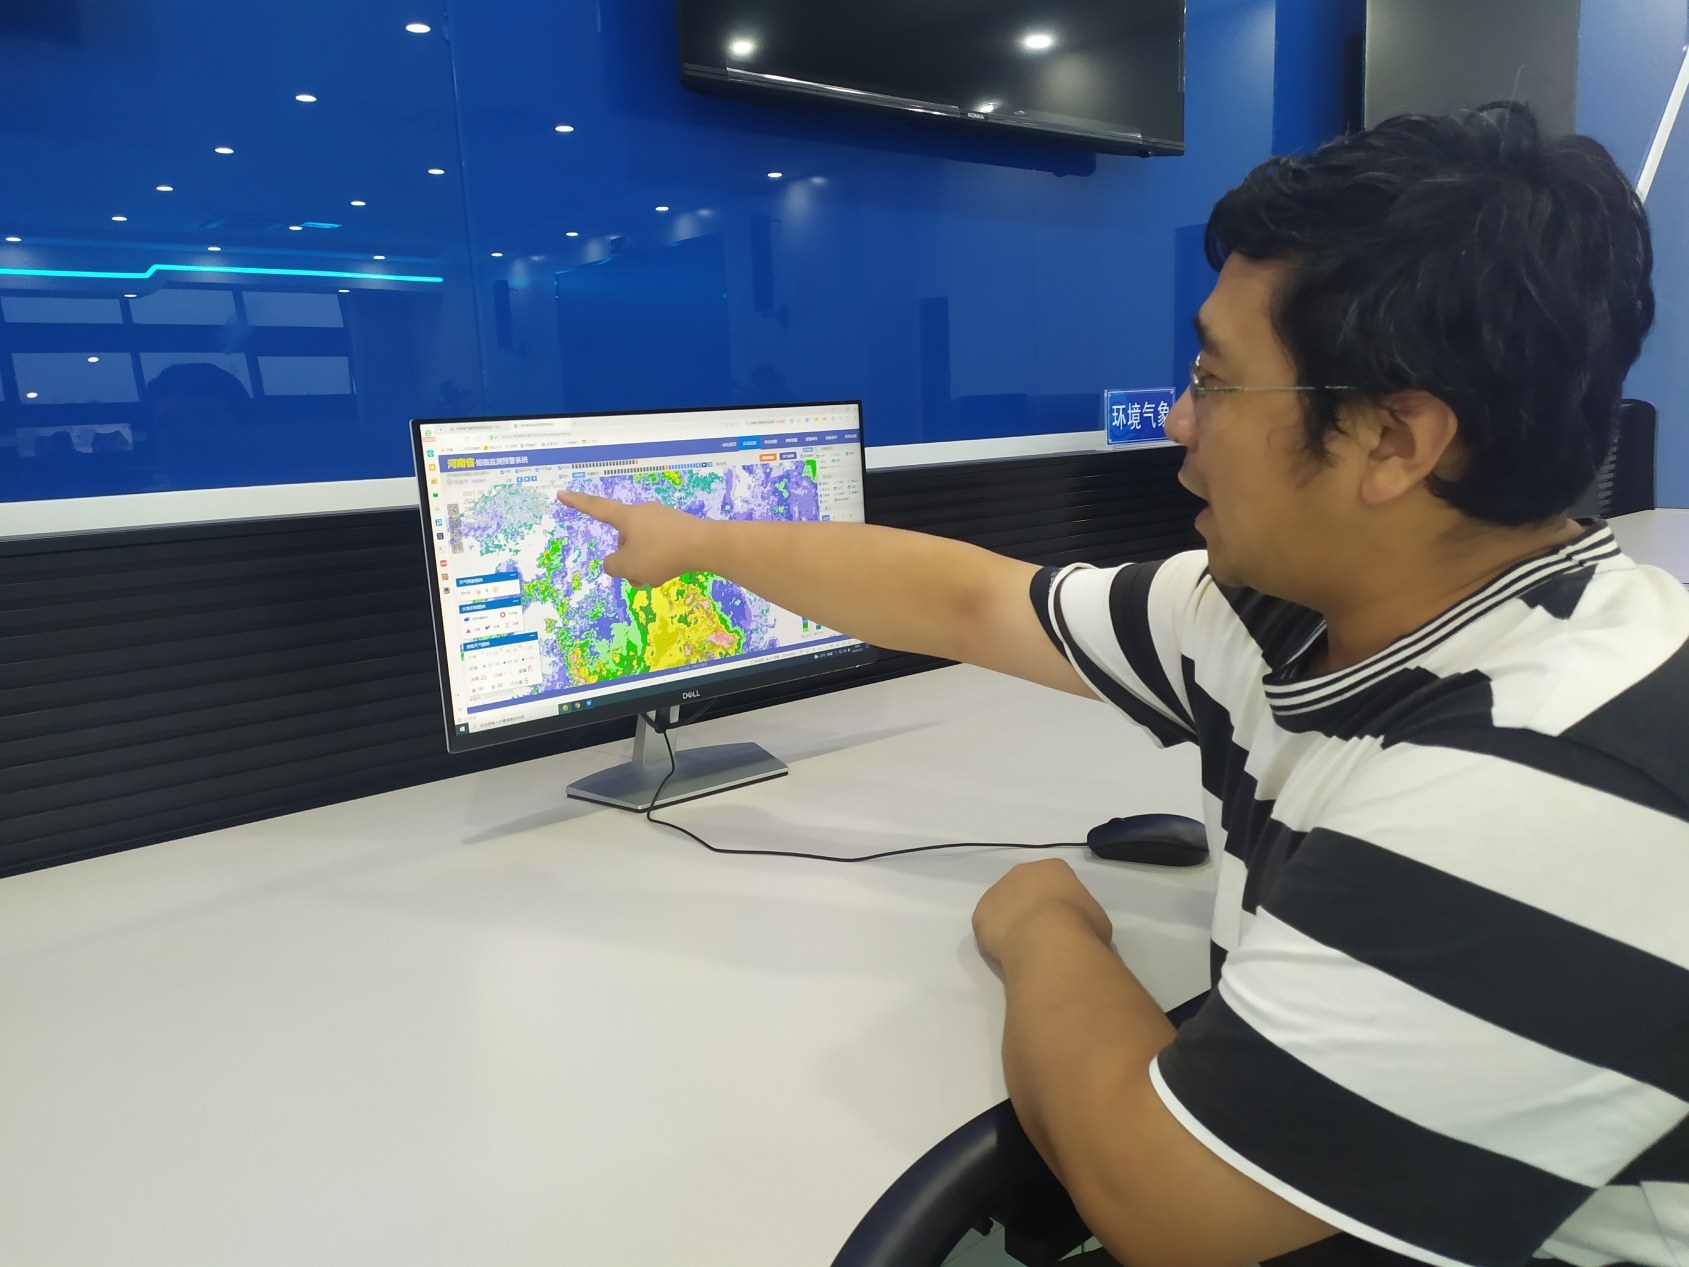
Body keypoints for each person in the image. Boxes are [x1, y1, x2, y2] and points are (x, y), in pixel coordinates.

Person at [558, 103, 1688, 1267]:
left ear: (1395, 443)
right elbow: (975, 602)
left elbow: (1167, 1208)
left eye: (1215, 380)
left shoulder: (1553, 767)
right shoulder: (1283, 613)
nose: (1179, 420)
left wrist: (1043, 925)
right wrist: (697, 541)